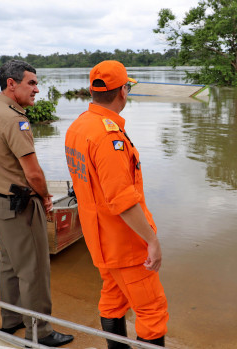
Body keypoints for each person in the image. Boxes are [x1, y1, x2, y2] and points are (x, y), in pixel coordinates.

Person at [65, 60, 168, 347]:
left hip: (99, 238)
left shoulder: (79, 126)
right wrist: (152, 240)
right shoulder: (108, 137)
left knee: (113, 298)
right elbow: (122, 200)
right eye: (127, 87)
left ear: (93, 91)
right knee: (152, 310)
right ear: (123, 91)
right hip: (125, 241)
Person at [0, 60, 73, 347]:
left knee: (9, 264)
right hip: (21, 206)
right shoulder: (14, 119)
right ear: (11, 84)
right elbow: (33, 172)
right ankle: (39, 332)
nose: (37, 89)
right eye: (31, 83)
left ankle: (13, 319)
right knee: (34, 270)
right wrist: (44, 197)